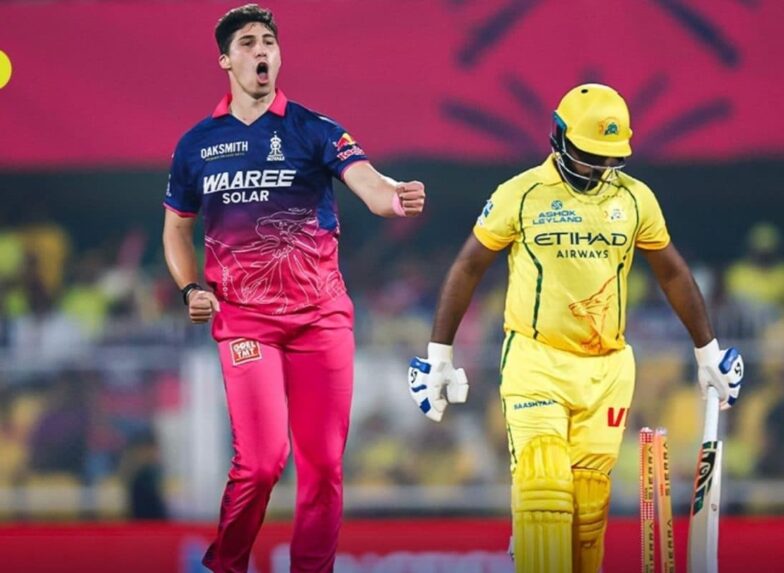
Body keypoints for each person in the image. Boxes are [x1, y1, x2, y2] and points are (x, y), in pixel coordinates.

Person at [407, 84, 743, 573]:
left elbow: (671, 271)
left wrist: (706, 352)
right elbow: (468, 266)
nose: (599, 169)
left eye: (609, 159)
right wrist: (439, 355)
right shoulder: (521, 193)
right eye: (588, 156)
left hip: (607, 370)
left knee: (587, 510)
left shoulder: (635, 198)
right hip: (536, 360)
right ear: (559, 138)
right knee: (544, 485)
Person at [161, 5, 425, 572]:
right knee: (261, 463)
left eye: (269, 41)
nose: (262, 50)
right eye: (248, 43)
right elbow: (176, 231)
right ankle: (227, 565)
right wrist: (190, 290)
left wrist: (394, 197)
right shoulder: (197, 145)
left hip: (320, 320)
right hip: (245, 321)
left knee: (323, 467)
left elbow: (369, 184)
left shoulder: (314, 129)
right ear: (226, 60)